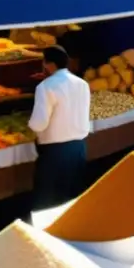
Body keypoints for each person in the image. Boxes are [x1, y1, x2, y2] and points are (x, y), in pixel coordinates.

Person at [28, 45, 90, 210]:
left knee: (48, 203)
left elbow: (38, 123)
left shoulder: (45, 87)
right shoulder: (82, 83)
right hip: (79, 149)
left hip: (55, 152)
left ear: (49, 64)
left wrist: (30, 126)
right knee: (73, 200)